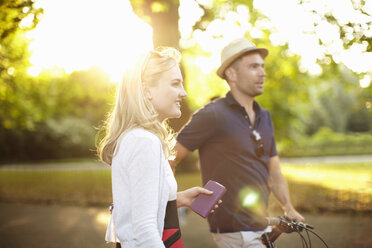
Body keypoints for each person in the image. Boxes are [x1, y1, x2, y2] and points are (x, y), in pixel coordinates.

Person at [171, 38, 305, 248]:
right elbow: (171, 156)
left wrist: (288, 208)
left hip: (262, 223)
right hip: (232, 231)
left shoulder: (265, 116)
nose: (262, 73)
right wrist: (169, 199)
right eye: (253, 67)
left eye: (262, 66)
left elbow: (275, 170)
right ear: (231, 74)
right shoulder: (212, 114)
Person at [97, 47, 218, 248]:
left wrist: (178, 199)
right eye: (175, 84)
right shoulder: (143, 141)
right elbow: (144, 230)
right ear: (146, 91)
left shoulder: (137, 137)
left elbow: (136, 205)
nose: (184, 92)